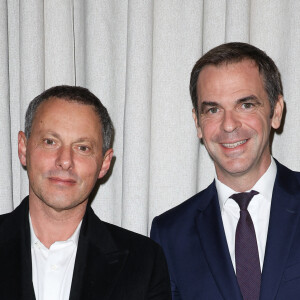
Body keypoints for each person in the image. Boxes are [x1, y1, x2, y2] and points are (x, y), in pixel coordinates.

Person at [151, 42, 300, 300]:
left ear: (276, 112)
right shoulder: (170, 233)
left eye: (246, 105)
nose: (229, 125)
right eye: (213, 109)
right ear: (198, 123)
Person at [0, 85, 171, 299]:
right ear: (23, 149)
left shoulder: (144, 262)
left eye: (82, 148)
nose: (64, 161)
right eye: (50, 142)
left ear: (104, 163)